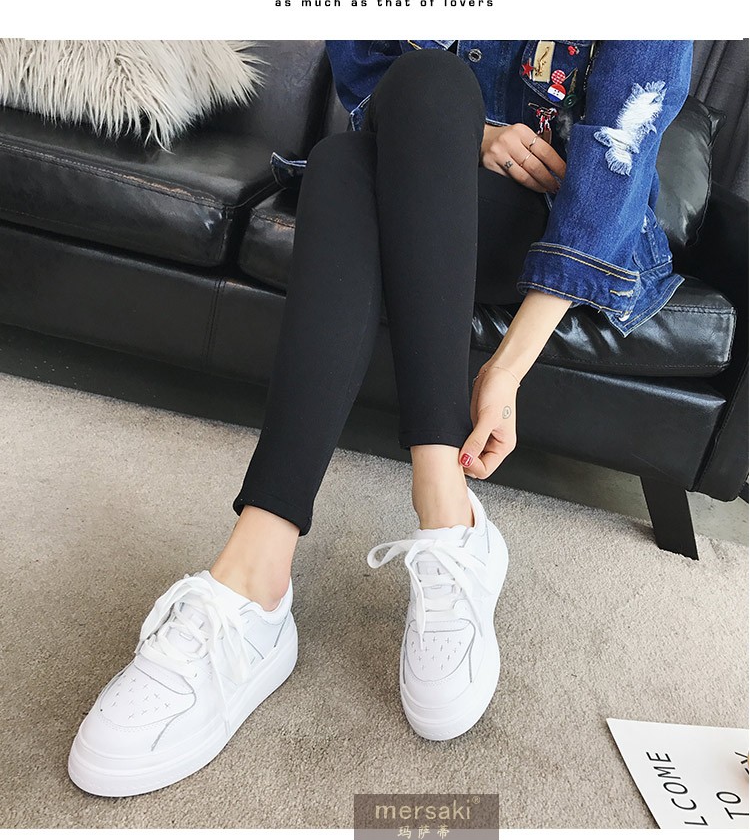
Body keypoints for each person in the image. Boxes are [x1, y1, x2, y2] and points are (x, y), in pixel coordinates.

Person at [67, 39, 693, 797]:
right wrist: (467, 134)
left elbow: (619, 156)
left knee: (357, 154)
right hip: (416, 166)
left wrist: (506, 367)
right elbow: (368, 60)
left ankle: (383, 538)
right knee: (400, 108)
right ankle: (291, 562)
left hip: (547, 227)